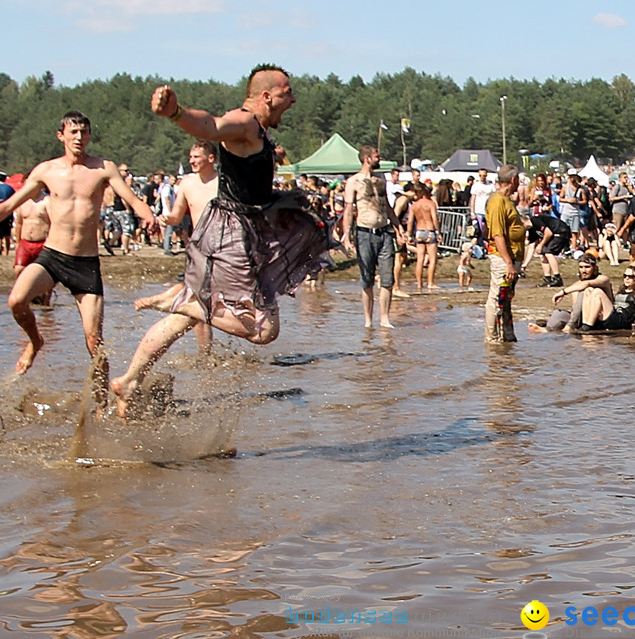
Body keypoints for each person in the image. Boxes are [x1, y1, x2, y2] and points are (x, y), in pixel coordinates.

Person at [110, 65, 329, 417]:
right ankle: (183, 301)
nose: (294, 99)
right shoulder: (242, 123)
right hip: (231, 235)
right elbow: (211, 126)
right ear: (267, 96)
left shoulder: (257, 130)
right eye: (288, 92)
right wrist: (176, 113)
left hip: (242, 232)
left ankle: (131, 379)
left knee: (193, 322)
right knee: (263, 330)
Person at [0, 111, 155, 380]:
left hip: (85, 263)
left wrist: (149, 216)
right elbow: (8, 205)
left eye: (84, 132)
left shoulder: (103, 168)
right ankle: (36, 341)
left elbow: (132, 199)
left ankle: (100, 403)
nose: (79, 137)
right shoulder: (46, 170)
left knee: (94, 340)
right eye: (73, 132)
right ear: (61, 136)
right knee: (16, 300)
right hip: (52, 258)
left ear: (89, 136)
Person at [156, 140, 221, 347]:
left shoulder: (224, 182)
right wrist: (165, 218)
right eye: (190, 157)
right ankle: (205, 352)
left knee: (220, 299)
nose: (191, 160)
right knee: (198, 299)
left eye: (196, 157)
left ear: (210, 159)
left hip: (224, 247)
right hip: (198, 247)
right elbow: (177, 215)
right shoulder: (186, 183)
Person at [340, 145, 396, 328]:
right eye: (377, 157)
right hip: (365, 233)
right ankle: (368, 321)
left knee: (387, 278)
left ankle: (385, 319)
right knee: (367, 279)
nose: (380, 159)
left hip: (385, 232)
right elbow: (348, 210)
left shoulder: (381, 179)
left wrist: (399, 227)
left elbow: (387, 205)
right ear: (367, 159)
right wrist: (347, 237)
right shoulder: (354, 181)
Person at [484, 166, 526, 343]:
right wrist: (508, 263)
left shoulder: (507, 200)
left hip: (512, 257)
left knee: (507, 299)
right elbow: (497, 234)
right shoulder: (497, 201)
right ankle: (493, 338)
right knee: (497, 298)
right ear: (513, 180)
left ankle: (507, 337)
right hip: (503, 259)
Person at [575, 265, 635, 333]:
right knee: (588, 290)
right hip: (613, 314)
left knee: (598, 292)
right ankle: (585, 323)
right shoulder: (623, 289)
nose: (627, 278)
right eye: (625, 276)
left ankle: (588, 326)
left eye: (630, 276)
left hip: (622, 320)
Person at [406, 182, 440, 291]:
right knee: (432, 258)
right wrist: (439, 232)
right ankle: (430, 282)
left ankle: (419, 283)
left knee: (420, 259)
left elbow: (410, 221)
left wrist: (409, 234)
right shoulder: (430, 204)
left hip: (419, 231)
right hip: (429, 230)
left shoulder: (414, 206)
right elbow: (434, 219)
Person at [521, 212, 571, 287]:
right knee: (542, 255)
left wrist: (541, 245)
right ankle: (547, 278)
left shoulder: (535, 220)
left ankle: (557, 278)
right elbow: (531, 247)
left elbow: (548, 233)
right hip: (552, 234)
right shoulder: (532, 231)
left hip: (560, 231)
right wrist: (525, 264)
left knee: (548, 253)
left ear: (523, 222)